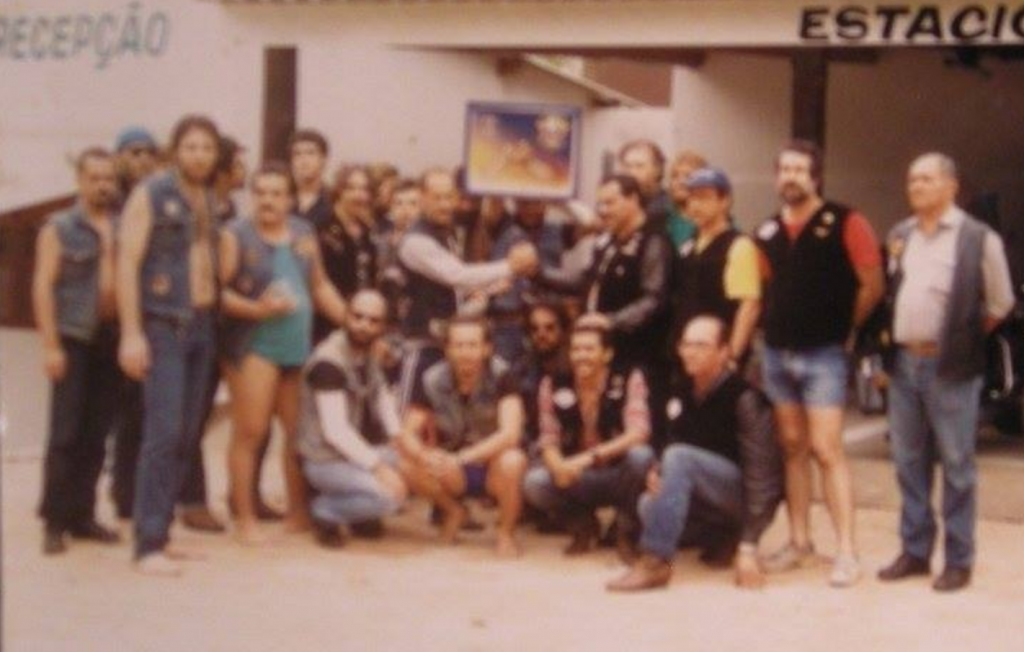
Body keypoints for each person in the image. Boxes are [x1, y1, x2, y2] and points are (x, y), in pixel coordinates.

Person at [877, 153, 1014, 592]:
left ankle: (958, 559)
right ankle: (915, 550)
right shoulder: (901, 234)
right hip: (904, 365)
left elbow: (999, 303)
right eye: (912, 179)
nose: (916, 186)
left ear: (951, 187)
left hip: (951, 365)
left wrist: (960, 339)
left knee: (956, 464)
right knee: (908, 461)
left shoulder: (978, 238)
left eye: (927, 179)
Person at [754, 140, 885, 587]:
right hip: (776, 353)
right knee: (792, 447)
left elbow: (872, 284)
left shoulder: (848, 221)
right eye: (784, 169)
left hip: (823, 355)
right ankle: (799, 542)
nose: (790, 177)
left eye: (799, 169)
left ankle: (846, 551)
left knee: (827, 450)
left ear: (815, 176)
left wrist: (845, 327)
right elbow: (765, 289)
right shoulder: (767, 231)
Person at [219, 162, 349, 543]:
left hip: (296, 345)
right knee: (251, 431)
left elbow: (320, 285)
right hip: (253, 345)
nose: (268, 201)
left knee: (297, 434)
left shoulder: (303, 231)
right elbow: (217, 293)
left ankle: (298, 512)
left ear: (291, 199)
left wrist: (352, 321)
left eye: (277, 193)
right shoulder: (235, 235)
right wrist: (257, 309)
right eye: (261, 192)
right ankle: (245, 518)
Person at [606, 316, 784, 591]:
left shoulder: (744, 398)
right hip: (703, 491)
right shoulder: (681, 390)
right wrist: (658, 472)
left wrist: (749, 546)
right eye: (686, 344)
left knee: (680, 458)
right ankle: (719, 537)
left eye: (701, 345)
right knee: (647, 504)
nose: (690, 352)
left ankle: (656, 561)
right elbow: (670, 441)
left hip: (738, 495)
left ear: (723, 352)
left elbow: (765, 480)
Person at [117, 115, 222, 575]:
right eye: (191, 146)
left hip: (202, 324)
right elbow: (127, 261)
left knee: (186, 434)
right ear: (176, 150)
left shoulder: (209, 198)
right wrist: (131, 332)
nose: (199, 155)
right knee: (162, 434)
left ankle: (161, 532)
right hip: (164, 324)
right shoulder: (152, 193)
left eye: (207, 148)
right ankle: (147, 544)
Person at [33, 148, 122, 555]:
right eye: (95, 178)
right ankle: (54, 520)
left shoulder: (122, 226)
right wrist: (51, 344)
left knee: (97, 432)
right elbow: (42, 286)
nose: (102, 185)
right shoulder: (59, 228)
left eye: (108, 178)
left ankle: (82, 514)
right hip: (73, 336)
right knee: (65, 432)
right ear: (80, 181)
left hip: (111, 336)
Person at [395, 167, 537, 409]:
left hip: (449, 344)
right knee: (412, 414)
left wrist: (489, 289)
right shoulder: (416, 241)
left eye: (449, 197)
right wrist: (511, 266)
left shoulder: (446, 232)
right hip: (423, 345)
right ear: (422, 199)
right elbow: (457, 276)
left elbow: (455, 290)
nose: (444, 205)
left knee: (444, 415)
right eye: (437, 198)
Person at [398, 316, 528, 556]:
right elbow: (407, 432)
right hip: (451, 467)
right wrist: (424, 455)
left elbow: (510, 433)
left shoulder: (503, 375)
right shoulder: (431, 378)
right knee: (406, 463)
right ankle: (453, 511)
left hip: (492, 465)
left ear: (486, 348)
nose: (465, 353)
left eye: (472, 345)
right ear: (447, 349)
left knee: (513, 460)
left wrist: (465, 457)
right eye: (458, 345)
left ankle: (505, 531)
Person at [523, 322, 655, 557]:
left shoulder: (627, 378)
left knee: (641, 456)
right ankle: (582, 525)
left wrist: (589, 457)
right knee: (535, 483)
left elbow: (639, 432)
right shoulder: (553, 383)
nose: (581, 356)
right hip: (577, 476)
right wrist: (558, 466)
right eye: (576, 349)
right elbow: (548, 437)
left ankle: (625, 528)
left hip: (618, 473)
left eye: (589, 349)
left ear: (607, 354)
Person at [298, 290, 408, 548]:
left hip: (350, 455)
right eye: (358, 317)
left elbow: (381, 396)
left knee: (413, 466)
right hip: (324, 460)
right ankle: (324, 510)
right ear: (346, 316)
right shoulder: (328, 362)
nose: (364, 325)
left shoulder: (366, 352)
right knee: (390, 495)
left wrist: (400, 439)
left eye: (373, 320)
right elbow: (335, 431)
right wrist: (379, 468)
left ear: (383, 326)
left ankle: (358, 511)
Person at [534, 174, 672, 373]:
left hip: (637, 354)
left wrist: (611, 321)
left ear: (633, 199)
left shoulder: (653, 240)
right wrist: (538, 273)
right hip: (600, 352)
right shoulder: (608, 241)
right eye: (600, 204)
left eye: (610, 203)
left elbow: (654, 298)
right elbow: (585, 281)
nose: (603, 211)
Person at [110, 126, 161, 521]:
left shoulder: (159, 201)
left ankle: (127, 495)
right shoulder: (108, 202)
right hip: (108, 322)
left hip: (148, 318)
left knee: (138, 412)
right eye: (133, 152)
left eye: (147, 153)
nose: (141, 160)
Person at [672, 168, 761, 364]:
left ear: (725, 201)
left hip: (718, 352)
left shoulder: (738, 245)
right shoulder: (690, 243)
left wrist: (733, 355)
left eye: (704, 198)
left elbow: (749, 305)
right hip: (687, 348)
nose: (695, 205)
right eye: (692, 197)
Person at [488, 199, 567, 362]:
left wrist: (561, 197)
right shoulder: (502, 224)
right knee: (505, 372)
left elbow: (590, 222)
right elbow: (491, 197)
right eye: (525, 202)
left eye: (536, 202)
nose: (530, 209)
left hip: (544, 325)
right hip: (507, 325)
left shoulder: (557, 230)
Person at [314, 165, 378, 343]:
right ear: (339, 191)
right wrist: (349, 323)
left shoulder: (367, 232)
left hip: (360, 323)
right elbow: (318, 285)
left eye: (364, 189)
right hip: (325, 324)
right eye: (351, 188)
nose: (359, 195)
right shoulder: (321, 228)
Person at [618, 139, 671, 234]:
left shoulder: (668, 205)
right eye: (627, 166)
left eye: (639, 166)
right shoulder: (621, 204)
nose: (632, 173)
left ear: (657, 169)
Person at [289, 129, 333, 227]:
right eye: (297, 154)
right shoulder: (282, 198)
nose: (303, 160)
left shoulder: (334, 201)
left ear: (323, 159)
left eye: (310, 153)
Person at [665, 150, 706, 248]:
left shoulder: (714, 219)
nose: (680, 182)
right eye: (675, 176)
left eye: (688, 176)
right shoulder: (663, 218)